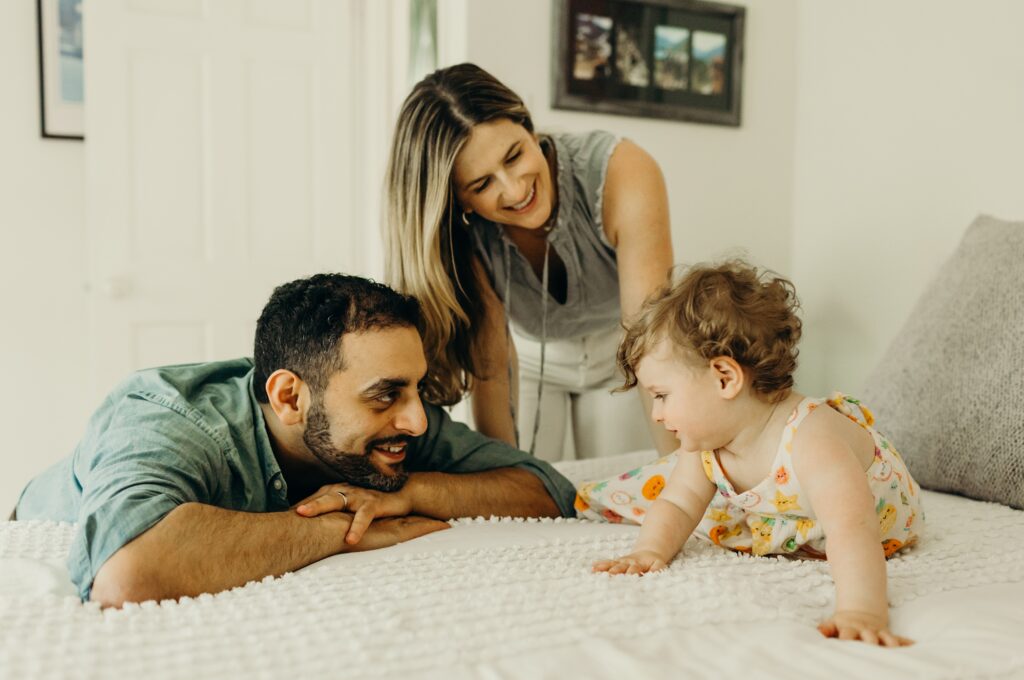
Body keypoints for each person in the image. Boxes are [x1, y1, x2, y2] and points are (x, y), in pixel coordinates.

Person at [14, 274, 577, 607]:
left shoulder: (390, 426)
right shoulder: (166, 415)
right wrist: (343, 530)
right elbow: (124, 572)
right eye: (385, 395)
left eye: (416, 391)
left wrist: (410, 494)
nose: (417, 422)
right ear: (289, 398)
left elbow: (548, 490)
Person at [589, 260, 923, 647]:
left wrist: (862, 610)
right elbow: (678, 504)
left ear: (725, 378)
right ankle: (588, 495)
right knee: (661, 486)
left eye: (662, 396)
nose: (657, 414)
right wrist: (647, 552)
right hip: (795, 509)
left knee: (822, 517)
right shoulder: (707, 442)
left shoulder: (813, 440)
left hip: (872, 516)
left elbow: (853, 528)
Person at [383, 62, 678, 462]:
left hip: (623, 354)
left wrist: (686, 476)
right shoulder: (462, 235)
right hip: (532, 360)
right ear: (459, 200)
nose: (515, 189)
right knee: (527, 487)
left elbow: (649, 338)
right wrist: (505, 481)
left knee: (635, 481)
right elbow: (493, 365)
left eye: (515, 155)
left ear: (526, 125)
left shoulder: (623, 170)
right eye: (483, 184)